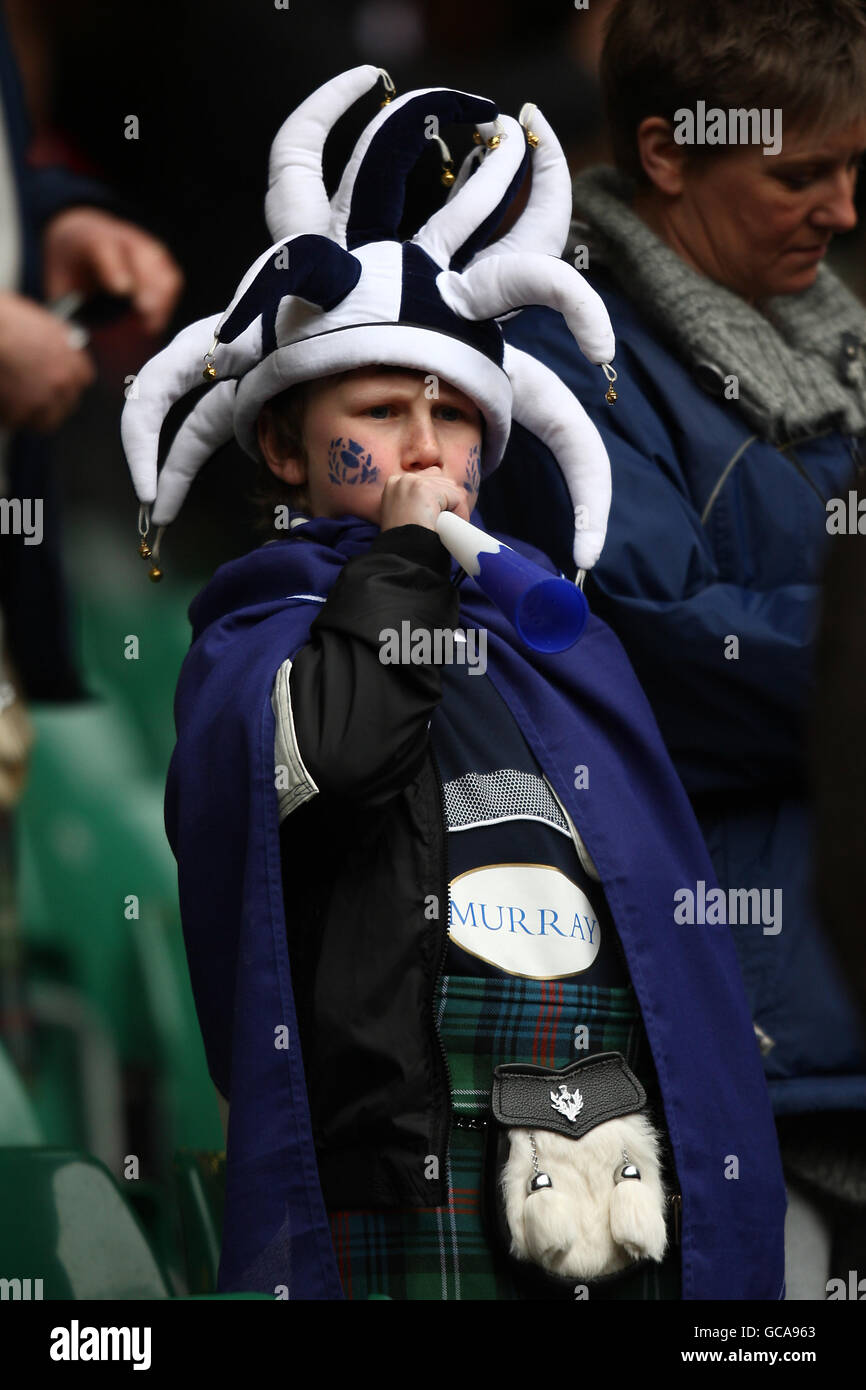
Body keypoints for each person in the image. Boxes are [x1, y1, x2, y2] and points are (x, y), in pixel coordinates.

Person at [122, 66, 786, 1301]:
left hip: (612, 1169)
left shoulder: (554, 633)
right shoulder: (256, 636)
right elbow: (336, 758)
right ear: (283, 445)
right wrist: (404, 566)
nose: (427, 445)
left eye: (456, 417)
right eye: (378, 407)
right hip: (403, 1189)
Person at [480, 0, 866, 1299]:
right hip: (729, 1003)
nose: (841, 210)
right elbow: (659, 648)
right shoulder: (559, 362)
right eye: (797, 175)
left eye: (854, 169)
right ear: (664, 151)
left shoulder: (839, 338)